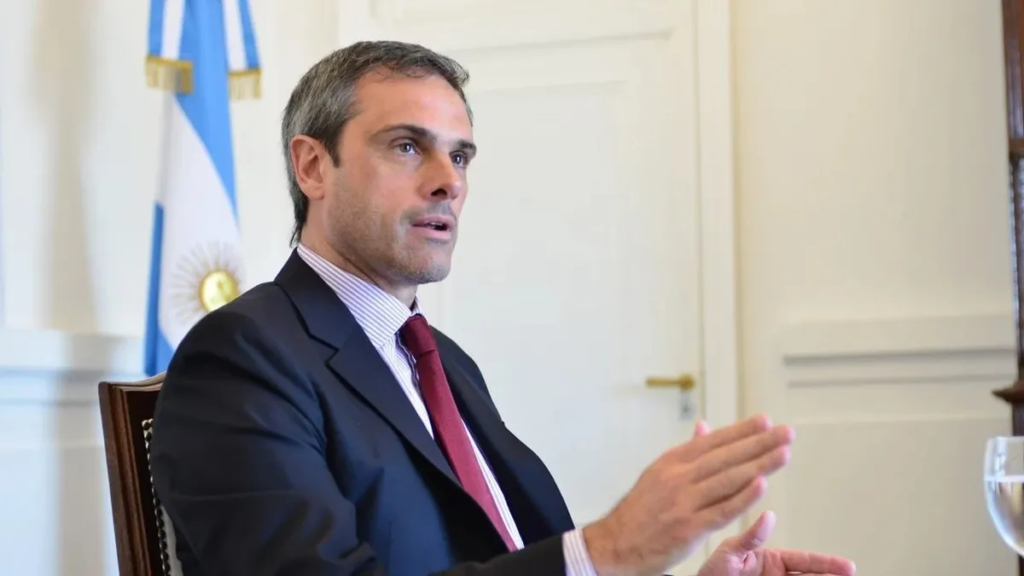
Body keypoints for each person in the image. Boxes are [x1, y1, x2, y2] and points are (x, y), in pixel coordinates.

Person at [149, 40, 856, 576]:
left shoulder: (441, 362)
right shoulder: (241, 359)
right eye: (407, 147)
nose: (447, 183)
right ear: (312, 167)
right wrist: (610, 549)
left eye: (460, 157)